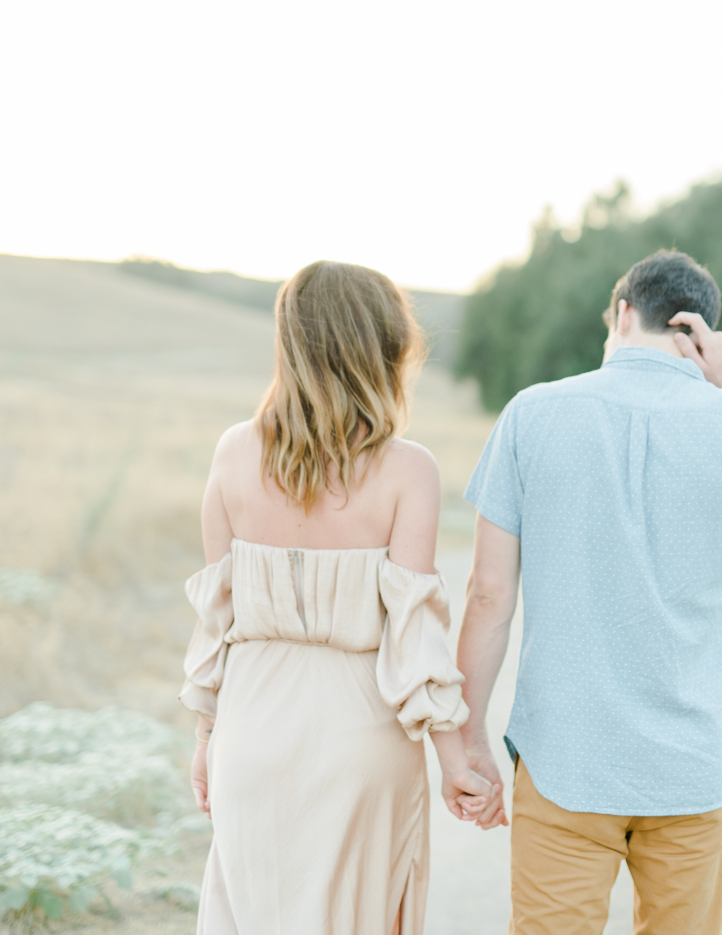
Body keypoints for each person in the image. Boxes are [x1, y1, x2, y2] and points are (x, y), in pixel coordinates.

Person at [456, 250, 722, 935]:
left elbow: (487, 594)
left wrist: (469, 734)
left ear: (624, 314)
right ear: (700, 336)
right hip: (695, 763)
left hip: (565, 753)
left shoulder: (531, 414)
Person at [179, 260, 496, 935]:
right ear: (383, 348)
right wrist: (455, 762)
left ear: (291, 342)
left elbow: (216, 623)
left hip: (250, 735)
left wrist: (207, 736)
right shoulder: (408, 470)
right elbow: (415, 640)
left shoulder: (233, 454)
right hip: (362, 742)